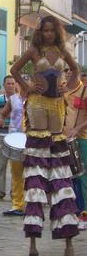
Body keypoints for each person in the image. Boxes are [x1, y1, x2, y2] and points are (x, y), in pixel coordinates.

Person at [10, 15, 79, 256]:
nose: (48, 33)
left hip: (57, 107)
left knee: (60, 173)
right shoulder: (33, 50)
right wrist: (27, 86)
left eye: (52, 30)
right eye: (45, 30)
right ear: (41, 31)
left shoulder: (61, 50)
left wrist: (67, 87)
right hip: (37, 105)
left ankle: (68, 241)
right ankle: (32, 244)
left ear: (56, 32)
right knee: (37, 172)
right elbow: (14, 70)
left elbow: (76, 72)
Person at [0, 83, 26, 216]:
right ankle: (17, 204)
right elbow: (2, 114)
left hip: (32, 138)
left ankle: (32, 203)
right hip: (16, 139)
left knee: (32, 173)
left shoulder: (36, 98)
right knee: (16, 173)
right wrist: (0, 119)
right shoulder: (13, 99)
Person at [64, 66, 87, 222]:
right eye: (67, 70)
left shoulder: (85, 91)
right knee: (68, 177)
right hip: (64, 140)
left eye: (72, 70)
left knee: (83, 176)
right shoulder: (62, 92)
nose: (69, 72)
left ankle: (85, 213)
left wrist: (77, 129)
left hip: (82, 139)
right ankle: (73, 210)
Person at [0, 75, 17, 200]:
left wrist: (2, 113)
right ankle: (0, 192)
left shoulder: (19, 99)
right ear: (4, 84)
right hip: (1, 134)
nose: (11, 86)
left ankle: (15, 192)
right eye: (8, 83)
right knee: (1, 165)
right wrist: (2, 115)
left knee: (15, 166)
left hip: (15, 136)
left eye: (13, 83)